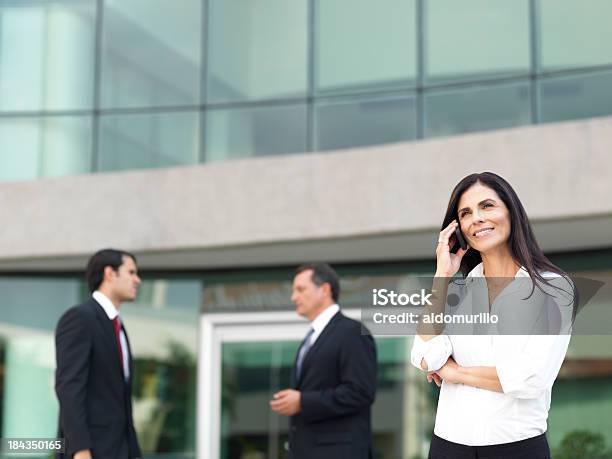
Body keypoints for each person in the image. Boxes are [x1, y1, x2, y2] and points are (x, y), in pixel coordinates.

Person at [411, 172, 574, 459]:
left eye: (487, 206)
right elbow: (424, 355)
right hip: (447, 445)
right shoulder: (455, 291)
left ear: (511, 212)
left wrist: (454, 372)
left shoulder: (553, 288)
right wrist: (442, 275)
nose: (476, 218)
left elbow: (531, 378)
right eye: (466, 213)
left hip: (516, 447)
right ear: (458, 228)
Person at [270, 263, 378, 459]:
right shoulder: (310, 339)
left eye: (300, 289)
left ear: (325, 289)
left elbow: (361, 392)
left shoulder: (351, 332)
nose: (294, 297)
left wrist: (303, 401)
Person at [55, 249, 143, 459]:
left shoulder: (118, 327)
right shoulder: (79, 318)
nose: (137, 280)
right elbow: (69, 387)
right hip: (90, 451)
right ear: (109, 274)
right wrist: (79, 449)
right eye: (131, 273)